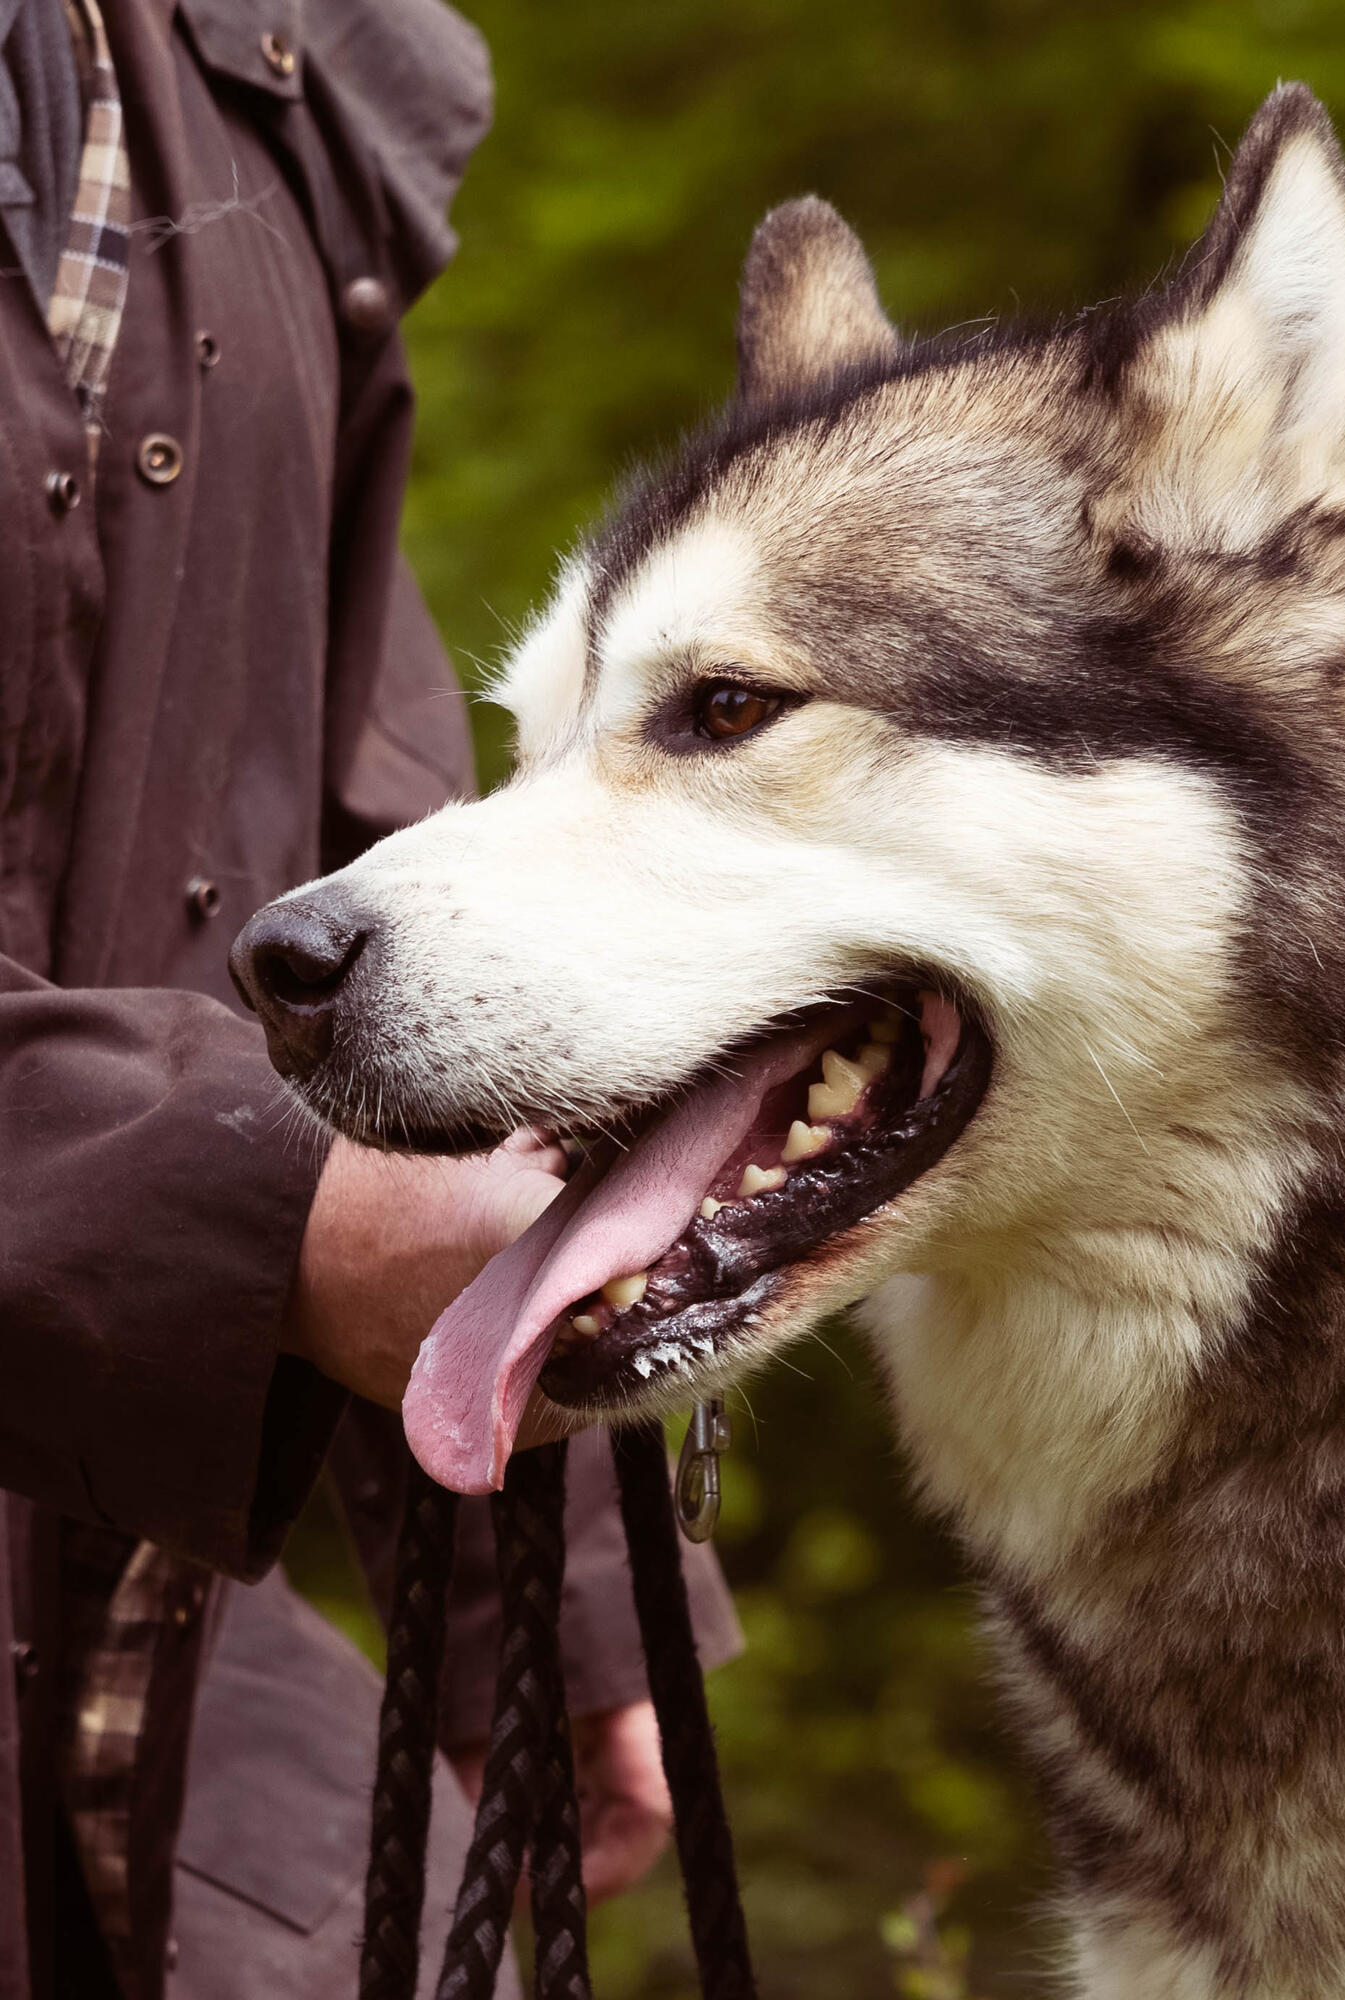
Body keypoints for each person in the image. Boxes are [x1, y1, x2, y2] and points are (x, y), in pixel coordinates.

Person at [0, 1, 739, 1995]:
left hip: (128, 1648)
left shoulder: (259, 66)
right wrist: (270, 1215)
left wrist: (551, 1587)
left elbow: (359, 805)